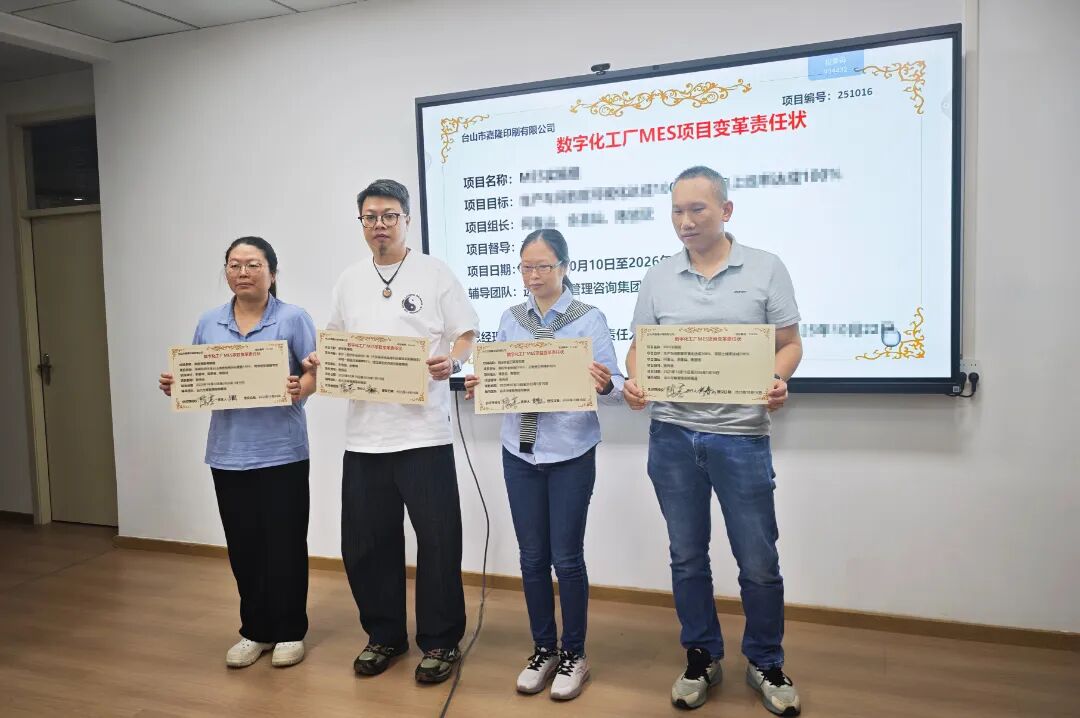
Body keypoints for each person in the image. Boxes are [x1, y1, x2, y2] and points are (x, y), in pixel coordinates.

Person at [623, 166, 804, 715]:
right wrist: (635, 381)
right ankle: (701, 655)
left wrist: (778, 379)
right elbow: (640, 349)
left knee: (758, 560)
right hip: (672, 437)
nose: (685, 221)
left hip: (741, 438)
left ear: (726, 210)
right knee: (686, 557)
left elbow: (790, 343)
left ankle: (766, 660)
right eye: (676, 210)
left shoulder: (766, 268)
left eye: (696, 209)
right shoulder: (658, 277)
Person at [303, 179, 478, 685]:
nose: (379, 224)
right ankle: (384, 635)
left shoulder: (435, 272)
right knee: (366, 544)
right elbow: (335, 338)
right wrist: (321, 357)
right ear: (361, 222)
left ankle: (440, 641)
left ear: (407, 219)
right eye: (370, 217)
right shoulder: (349, 280)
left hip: (424, 434)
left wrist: (453, 361)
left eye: (389, 216)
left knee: (438, 541)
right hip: (364, 436)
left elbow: (466, 333)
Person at [463, 230, 623, 701]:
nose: (533, 276)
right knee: (531, 557)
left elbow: (615, 386)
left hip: (571, 451)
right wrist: (482, 385)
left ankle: (574, 653)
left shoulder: (588, 318)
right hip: (520, 452)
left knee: (566, 558)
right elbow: (501, 378)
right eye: (526, 267)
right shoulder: (510, 318)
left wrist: (605, 384)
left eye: (543, 267)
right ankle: (543, 649)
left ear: (564, 267)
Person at [158, 236, 317, 669]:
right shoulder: (209, 321)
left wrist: (298, 388)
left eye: (253, 264)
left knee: (285, 543)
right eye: (234, 265)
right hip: (228, 453)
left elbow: (313, 375)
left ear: (272, 273)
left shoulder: (293, 318)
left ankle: (289, 631)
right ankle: (255, 630)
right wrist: (178, 384)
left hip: (282, 452)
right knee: (243, 546)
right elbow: (199, 376)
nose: (242, 272)